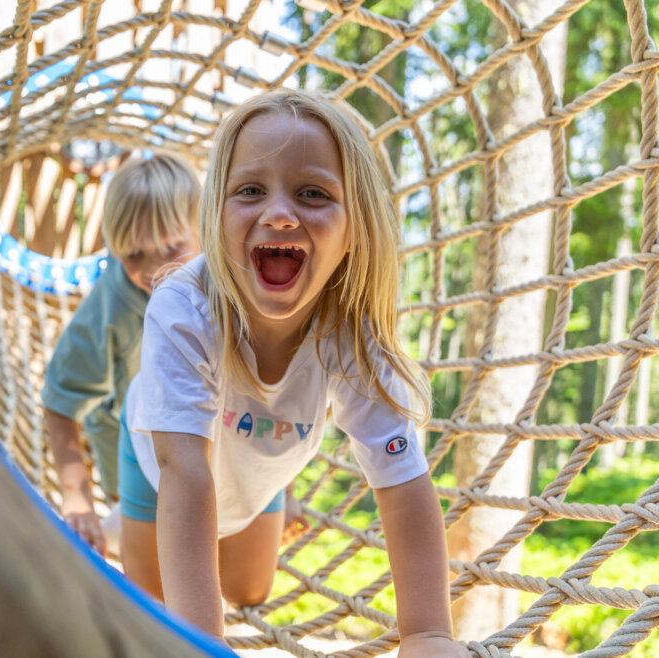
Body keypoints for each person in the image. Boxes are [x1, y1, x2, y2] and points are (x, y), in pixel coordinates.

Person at [118, 91, 466, 657]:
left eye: (313, 193)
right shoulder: (185, 308)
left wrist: (427, 632)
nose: (280, 213)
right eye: (251, 190)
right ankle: (116, 523)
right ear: (214, 216)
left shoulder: (353, 334)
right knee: (151, 606)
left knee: (249, 589)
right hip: (158, 462)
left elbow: (403, 483)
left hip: (262, 465)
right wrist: (204, 643)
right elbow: (184, 473)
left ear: (354, 230)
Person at [41, 152, 202, 556]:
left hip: (204, 453)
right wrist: (77, 499)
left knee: (241, 585)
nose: (153, 269)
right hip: (130, 462)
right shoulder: (110, 309)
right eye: (133, 255)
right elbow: (60, 404)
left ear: (204, 230)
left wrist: (282, 491)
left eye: (170, 247)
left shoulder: (225, 282)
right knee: (153, 578)